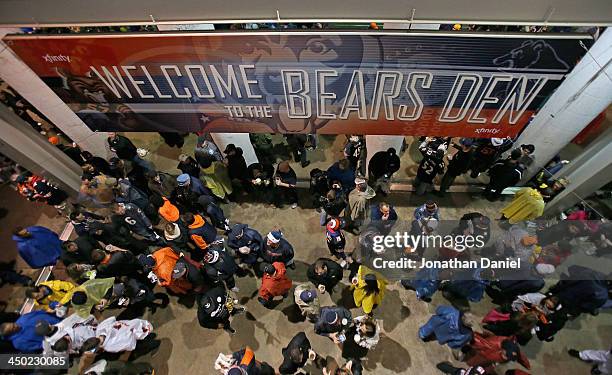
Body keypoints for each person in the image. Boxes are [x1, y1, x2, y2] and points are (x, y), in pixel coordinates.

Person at [463, 333, 530, 373]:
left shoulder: (511, 346)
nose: (506, 358)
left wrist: (527, 365)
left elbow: (521, 356)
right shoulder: (492, 347)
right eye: (506, 356)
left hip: (487, 357)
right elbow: (482, 352)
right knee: (470, 363)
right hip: (483, 355)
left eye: (508, 357)